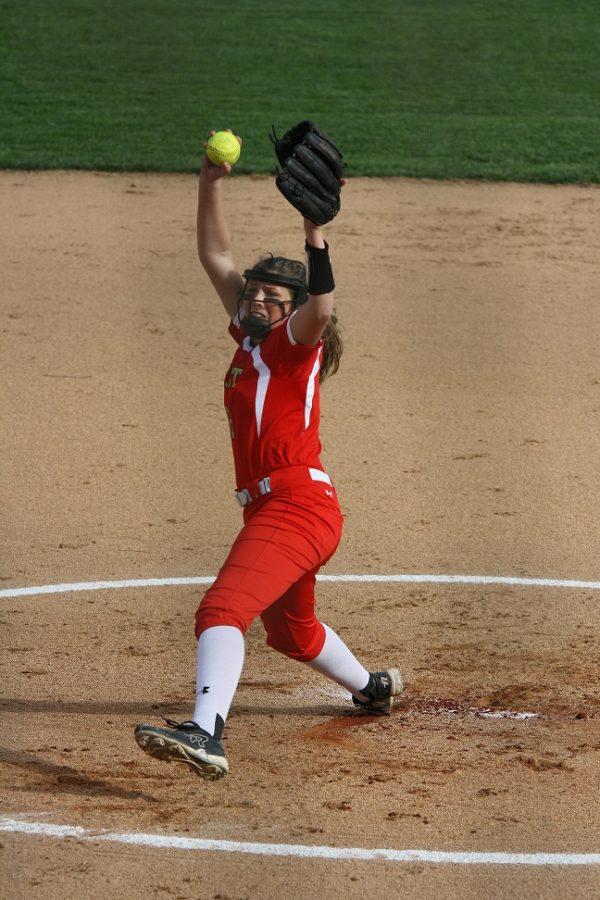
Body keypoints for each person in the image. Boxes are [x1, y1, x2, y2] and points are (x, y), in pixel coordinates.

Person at [134, 129, 403, 780]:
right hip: (275, 512)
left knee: (221, 610)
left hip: (297, 506)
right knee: (290, 633)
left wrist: (316, 233)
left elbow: (323, 305)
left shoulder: (293, 344)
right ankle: (372, 688)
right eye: (252, 292)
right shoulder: (251, 340)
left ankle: (206, 732)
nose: (254, 299)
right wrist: (208, 181)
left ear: (291, 309)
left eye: (269, 298)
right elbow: (214, 252)